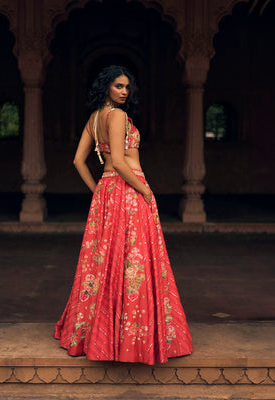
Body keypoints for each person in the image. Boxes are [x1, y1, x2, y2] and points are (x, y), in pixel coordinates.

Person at [54, 65, 193, 365]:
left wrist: (97, 191)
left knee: (105, 262)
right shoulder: (116, 116)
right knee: (133, 261)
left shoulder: (93, 119)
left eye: (127, 87)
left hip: (108, 192)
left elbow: (79, 160)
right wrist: (143, 190)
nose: (125, 92)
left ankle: (103, 334)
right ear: (106, 87)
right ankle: (128, 340)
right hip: (128, 191)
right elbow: (118, 160)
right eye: (118, 86)